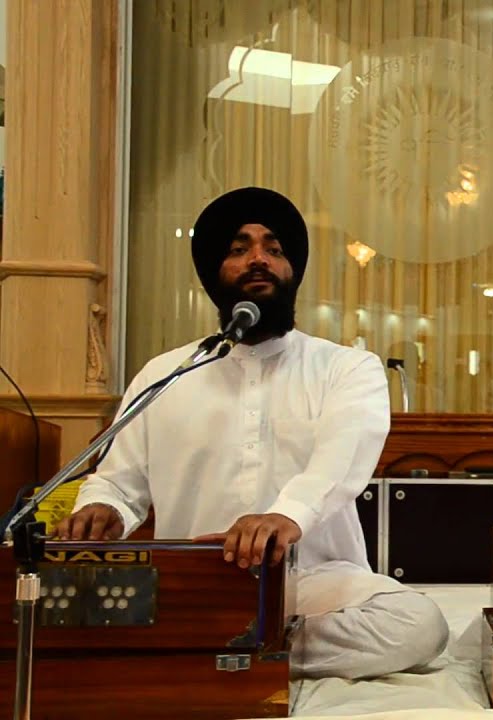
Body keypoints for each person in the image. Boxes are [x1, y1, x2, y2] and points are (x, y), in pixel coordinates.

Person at [56, 187, 449, 679]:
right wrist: (103, 508)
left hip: (309, 586)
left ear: (292, 270)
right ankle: (225, 642)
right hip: (195, 584)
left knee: (419, 625)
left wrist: (284, 516)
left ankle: (217, 649)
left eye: (274, 249)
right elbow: (118, 480)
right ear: (214, 274)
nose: (259, 260)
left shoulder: (346, 368)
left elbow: (342, 459)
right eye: (239, 249)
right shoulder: (167, 373)